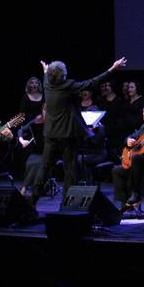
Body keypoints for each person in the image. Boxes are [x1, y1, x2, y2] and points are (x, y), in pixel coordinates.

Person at [29, 57, 127, 208]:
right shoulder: (68, 85)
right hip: (67, 135)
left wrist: (45, 71)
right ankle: (66, 205)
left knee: (45, 166)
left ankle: (32, 202)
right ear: (63, 75)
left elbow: (46, 76)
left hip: (50, 134)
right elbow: (92, 82)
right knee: (70, 169)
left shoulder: (47, 84)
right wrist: (112, 69)